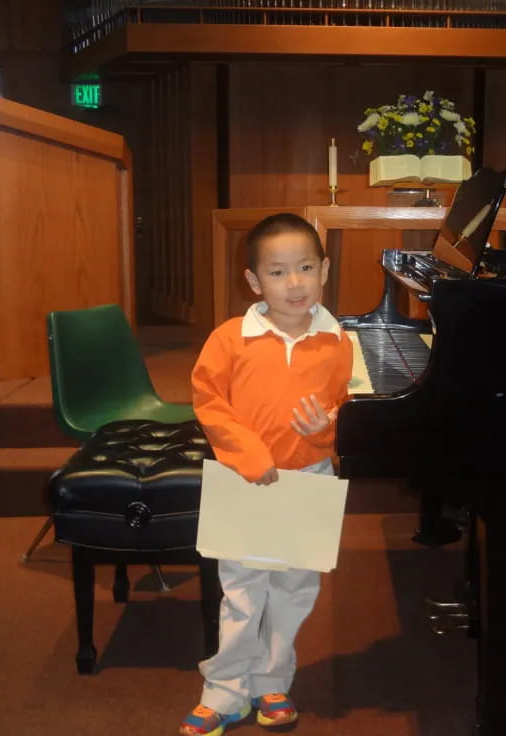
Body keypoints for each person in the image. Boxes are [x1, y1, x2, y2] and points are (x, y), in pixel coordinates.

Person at [180, 212, 353, 736]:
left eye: (305, 267)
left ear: (324, 269)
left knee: (294, 589)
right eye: (277, 272)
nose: (294, 283)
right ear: (254, 281)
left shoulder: (338, 340)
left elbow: (351, 408)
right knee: (243, 591)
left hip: (310, 478)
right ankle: (224, 689)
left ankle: (272, 681)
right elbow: (208, 402)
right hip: (243, 480)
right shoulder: (231, 338)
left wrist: (326, 429)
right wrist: (250, 455)